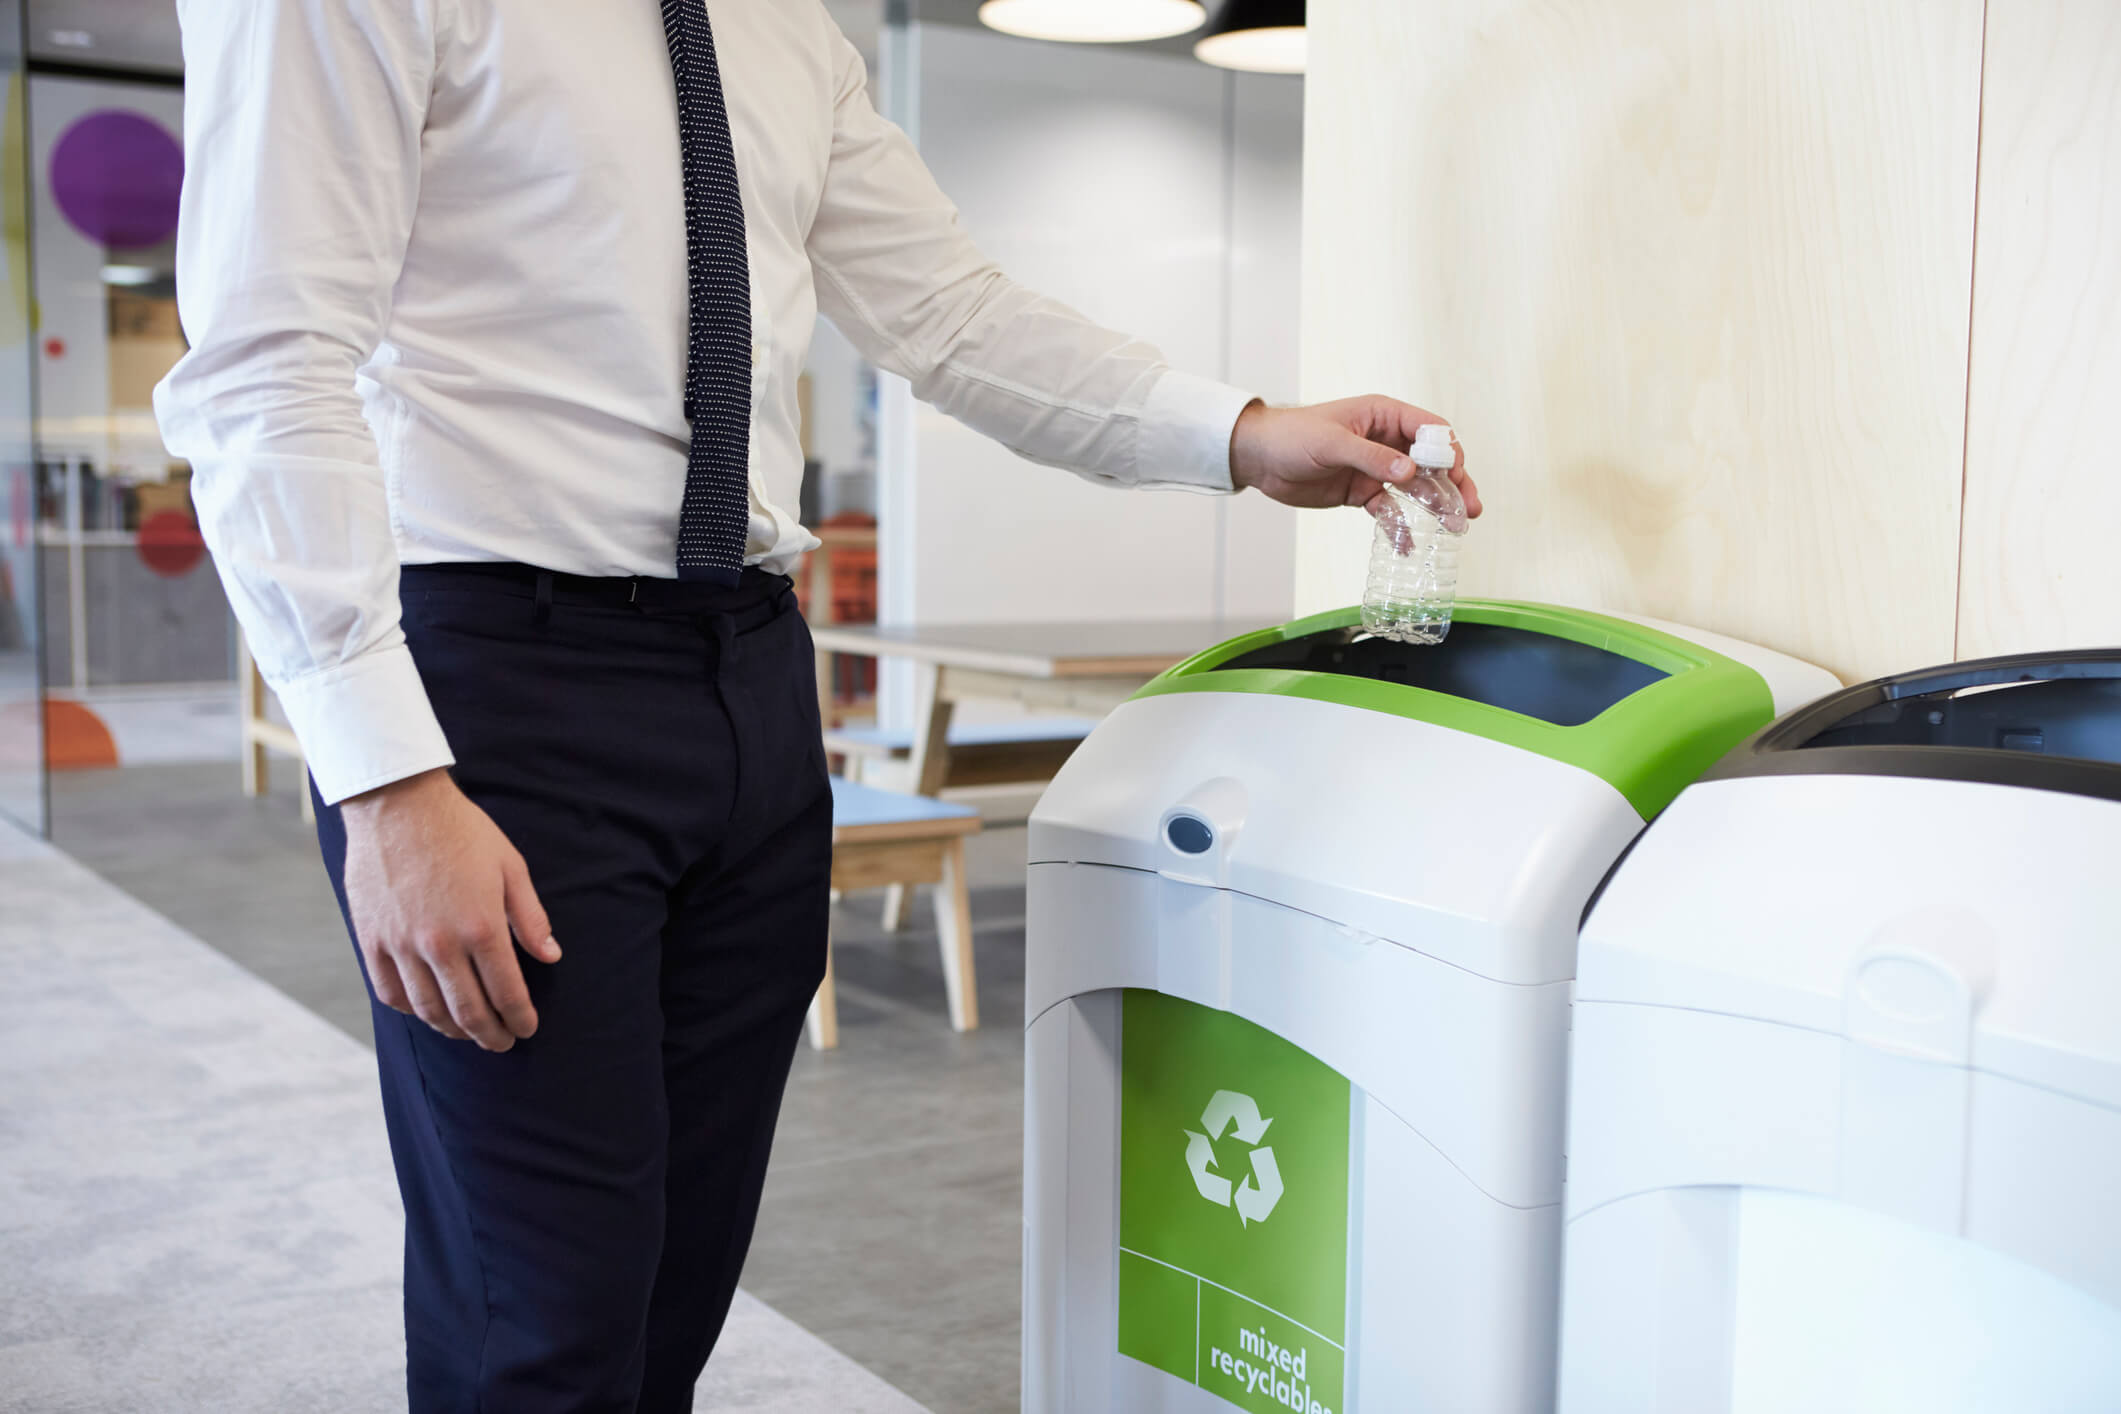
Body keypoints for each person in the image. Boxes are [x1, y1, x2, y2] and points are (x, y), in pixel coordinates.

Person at [155, 2, 1481, 1411]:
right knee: (545, 1309)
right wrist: (384, 782)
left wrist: (1240, 433)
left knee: (673, 1274)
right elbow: (267, 361)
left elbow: (950, 316)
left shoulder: (776, 21)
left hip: (749, 678)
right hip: (502, 691)